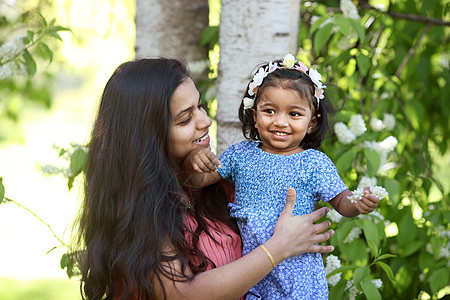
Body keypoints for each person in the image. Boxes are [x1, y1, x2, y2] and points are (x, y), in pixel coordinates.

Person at [75, 57, 336, 300]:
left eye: (200, 106)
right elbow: (181, 294)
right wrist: (279, 248)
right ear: (148, 137)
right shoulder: (137, 209)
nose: (206, 121)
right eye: (186, 118)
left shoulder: (215, 184)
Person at [183, 54, 381, 299]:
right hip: (253, 269)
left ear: (311, 122)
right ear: (254, 115)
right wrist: (194, 160)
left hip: (299, 272)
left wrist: (357, 203)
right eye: (269, 110)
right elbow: (198, 181)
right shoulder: (239, 155)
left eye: (294, 114)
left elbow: (341, 201)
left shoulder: (314, 163)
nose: (280, 122)